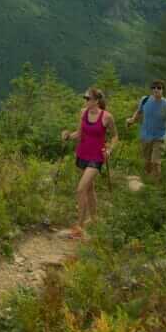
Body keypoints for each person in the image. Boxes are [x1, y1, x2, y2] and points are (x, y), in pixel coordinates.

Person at [61, 87, 118, 239]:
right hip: (82, 154)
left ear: (96, 101)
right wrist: (67, 136)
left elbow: (115, 136)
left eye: (87, 98)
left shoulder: (107, 117)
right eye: (84, 98)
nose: (85, 101)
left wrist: (110, 150)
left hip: (96, 157)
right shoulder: (83, 113)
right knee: (89, 189)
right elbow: (79, 133)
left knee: (81, 189)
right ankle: (94, 219)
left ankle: (79, 227)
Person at [125, 79, 166, 181]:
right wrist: (132, 120)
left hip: (160, 136)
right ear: (151, 89)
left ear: (163, 90)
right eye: (153, 88)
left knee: (156, 162)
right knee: (147, 161)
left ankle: (156, 186)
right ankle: (148, 182)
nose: (156, 90)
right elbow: (139, 111)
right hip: (145, 135)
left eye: (159, 88)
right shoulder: (145, 100)